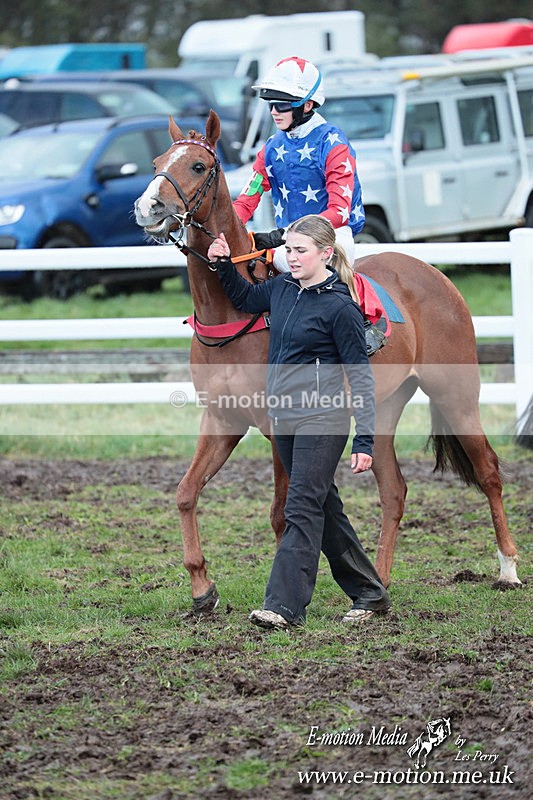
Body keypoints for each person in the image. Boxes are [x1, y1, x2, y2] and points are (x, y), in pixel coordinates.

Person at [206, 214, 390, 630]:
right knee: (325, 505)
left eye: (300, 251)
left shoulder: (340, 305)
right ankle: (369, 592)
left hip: (323, 419)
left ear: (326, 253)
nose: (291, 258)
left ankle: (284, 606)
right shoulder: (283, 288)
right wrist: (221, 264)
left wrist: (365, 440)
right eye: (288, 250)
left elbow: (360, 376)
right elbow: (245, 298)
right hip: (284, 419)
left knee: (301, 505)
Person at [233, 55, 365, 273]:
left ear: (307, 105)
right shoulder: (271, 148)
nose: (274, 111)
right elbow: (247, 200)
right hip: (288, 245)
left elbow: (339, 212)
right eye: (270, 104)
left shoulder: (334, 144)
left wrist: (283, 234)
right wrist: (225, 228)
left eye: (281, 104)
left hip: (331, 241)